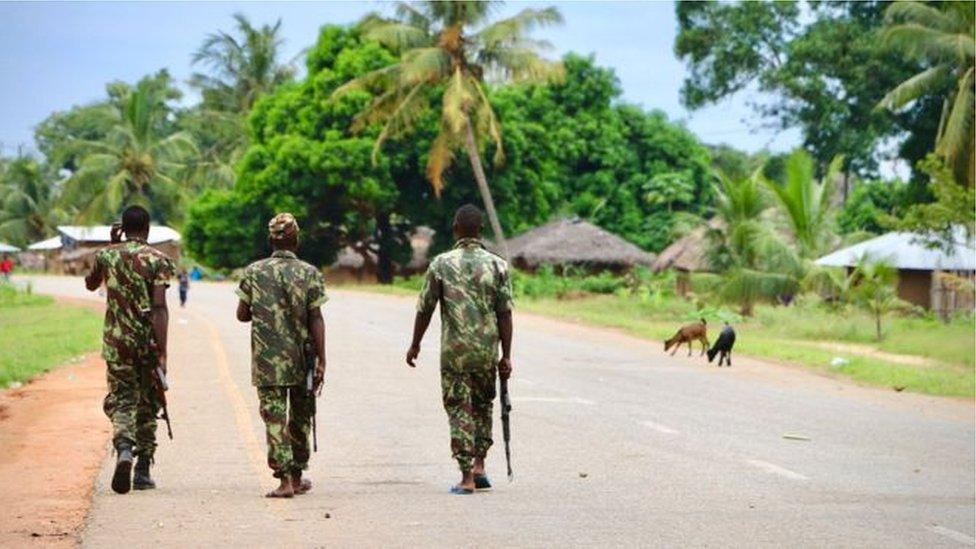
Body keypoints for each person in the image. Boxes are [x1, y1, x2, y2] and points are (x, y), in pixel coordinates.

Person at [406, 204, 514, 495]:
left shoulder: (441, 264)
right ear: (481, 230)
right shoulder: (497, 265)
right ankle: (480, 467)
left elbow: (425, 309)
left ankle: (466, 477)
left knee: (459, 409)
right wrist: (506, 355)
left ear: (455, 228)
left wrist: (415, 344)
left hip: (454, 353)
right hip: (485, 353)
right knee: (482, 406)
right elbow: (505, 313)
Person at [236, 213, 327, 498]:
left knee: (274, 416)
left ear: (270, 240)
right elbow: (316, 318)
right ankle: (298, 476)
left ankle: (284, 479)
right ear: (296, 239)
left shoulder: (253, 272)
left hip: (267, 359)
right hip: (302, 357)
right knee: (301, 417)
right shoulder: (309, 272)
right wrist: (322, 358)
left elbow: (241, 315)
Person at [84, 205, 174, 494]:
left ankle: (124, 448)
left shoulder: (107, 255)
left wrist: (112, 245)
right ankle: (143, 471)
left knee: (122, 400)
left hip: (117, 344)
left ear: (122, 226)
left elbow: (90, 284)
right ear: (147, 229)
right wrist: (162, 351)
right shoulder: (158, 260)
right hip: (147, 345)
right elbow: (159, 306)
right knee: (149, 402)